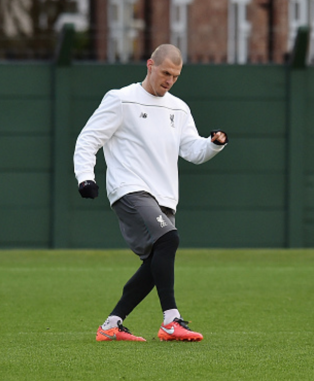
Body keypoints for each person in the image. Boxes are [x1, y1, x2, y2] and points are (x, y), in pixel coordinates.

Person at [73, 44, 229, 341]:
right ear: (150, 65)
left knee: (155, 262)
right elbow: (87, 140)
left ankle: (111, 326)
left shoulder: (179, 108)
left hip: (165, 197)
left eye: (176, 76)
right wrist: (85, 178)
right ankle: (171, 321)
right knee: (169, 239)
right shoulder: (121, 100)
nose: (170, 80)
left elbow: (192, 150)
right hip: (130, 190)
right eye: (166, 72)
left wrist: (213, 144)